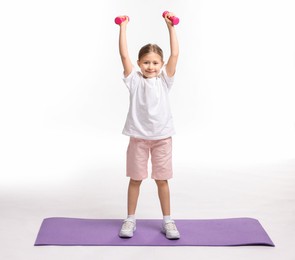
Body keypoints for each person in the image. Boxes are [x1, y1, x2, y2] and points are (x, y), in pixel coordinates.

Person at [117, 12, 180, 240]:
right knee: (135, 179)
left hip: (162, 138)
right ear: (139, 63)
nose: (150, 66)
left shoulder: (165, 80)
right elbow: (123, 55)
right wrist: (123, 27)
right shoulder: (133, 80)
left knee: (162, 180)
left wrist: (170, 27)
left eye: (155, 63)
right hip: (138, 139)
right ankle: (130, 219)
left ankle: (168, 221)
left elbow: (175, 54)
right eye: (146, 62)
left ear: (161, 64)